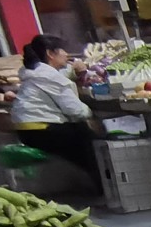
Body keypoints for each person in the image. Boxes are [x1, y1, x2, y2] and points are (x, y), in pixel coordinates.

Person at [10, 34, 99, 191]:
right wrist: (92, 114)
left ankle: (95, 185)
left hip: (26, 129)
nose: (67, 54)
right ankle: (106, 188)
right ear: (50, 54)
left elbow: (58, 77)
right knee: (91, 141)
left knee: (82, 136)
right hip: (41, 129)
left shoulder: (37, 72)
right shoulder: (49, 77)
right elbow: (76, 110)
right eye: (62, 50)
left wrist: (77, 71)